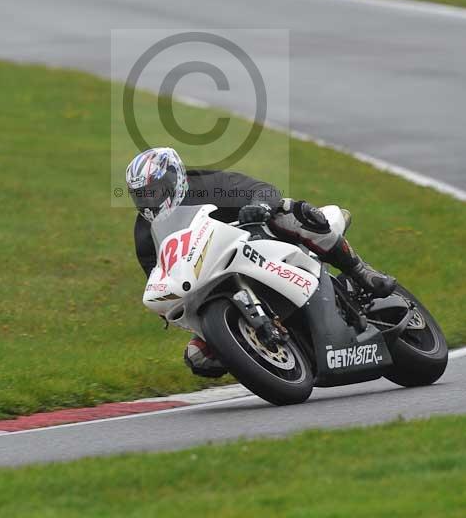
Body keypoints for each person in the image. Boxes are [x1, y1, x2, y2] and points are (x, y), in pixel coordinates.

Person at [126, 147, 396, 378]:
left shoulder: (208, 183)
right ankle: (256, 353)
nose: (149, 200)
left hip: (257, 242)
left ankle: (361, 271)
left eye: (155, 191)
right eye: (141, 195)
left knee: (291, 212)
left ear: (175, 179)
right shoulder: (145, 235)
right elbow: (159, 276)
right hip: (210, 282)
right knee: (198, 357)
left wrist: (258, 206)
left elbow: (263, 190)